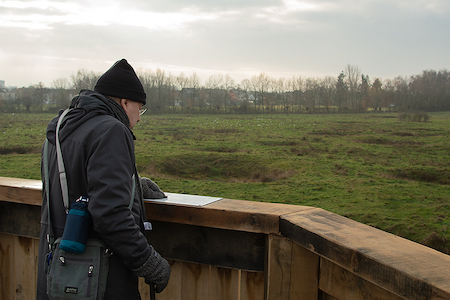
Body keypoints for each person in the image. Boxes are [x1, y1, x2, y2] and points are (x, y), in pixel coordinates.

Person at [37, 59, 170, 299]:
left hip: (57, 275)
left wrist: (130, 186)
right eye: (140, 109)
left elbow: (70, 183)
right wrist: (148, 262)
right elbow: (110, 214)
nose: (139, 118)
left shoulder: (60, 128)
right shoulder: (112, 130)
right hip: (100, 280)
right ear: (124, 101)